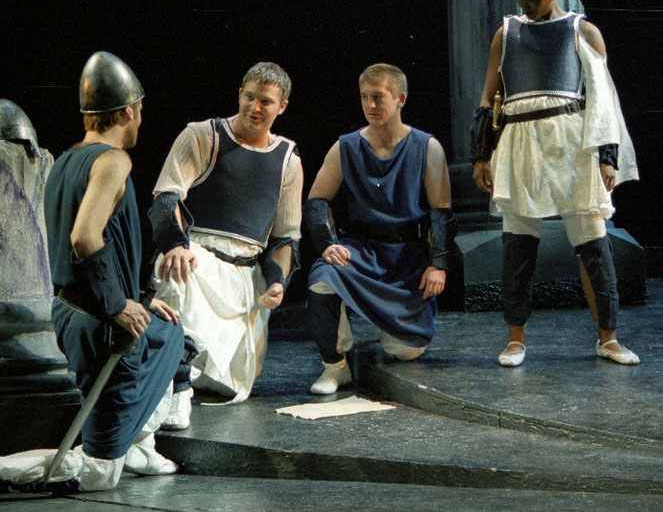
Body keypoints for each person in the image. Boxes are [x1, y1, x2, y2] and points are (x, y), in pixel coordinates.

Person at [1, 52, 184, 494]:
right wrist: (118, 305)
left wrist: (140, 298)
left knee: (171, 336)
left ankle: (137, 443)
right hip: (100, 324)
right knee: (100, 473)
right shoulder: (114, 161)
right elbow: (84, 237)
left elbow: (109, 243)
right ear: (128, 111)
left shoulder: (64, 161)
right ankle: (6, 469)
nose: (141, 118)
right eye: (139, 110)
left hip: (72, 315)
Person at [470, 0, 640, 367]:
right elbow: (488, 96)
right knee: (517, 247)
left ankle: (608, 338)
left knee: (594, 246)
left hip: (572, 147)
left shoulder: (583, 31)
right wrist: (481, 155)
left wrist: (607, 156)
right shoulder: (506, 33)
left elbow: (603, 100)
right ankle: (515, 340)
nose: (525, 4)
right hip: (521, 145)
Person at [148, 62, 302, 412]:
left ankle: (187, 376)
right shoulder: (203, 136)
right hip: (199, 259)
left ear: (282, 107)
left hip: (245, 278)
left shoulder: (288, 161)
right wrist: (176, 245)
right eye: (249, 97)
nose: (255, 108)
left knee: (229, 383)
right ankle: (175, 387)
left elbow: (286, 238)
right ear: (239, 94)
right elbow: (166, 197)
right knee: (176, 270)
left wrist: (277, 282)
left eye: (265, 101)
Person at [304, 63, 456, 394]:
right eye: (364, 97)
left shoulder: (426, 147)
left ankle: (393, 328)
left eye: (378, 97)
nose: (370, 105)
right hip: (363, 251)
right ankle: (335, 365)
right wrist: (327, 243)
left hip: (407, 259)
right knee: (322, 278)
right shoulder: (345, 146)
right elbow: (317, 200)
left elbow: (441, 212)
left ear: (400, 99)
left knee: (404, 350)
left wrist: (438, 264)